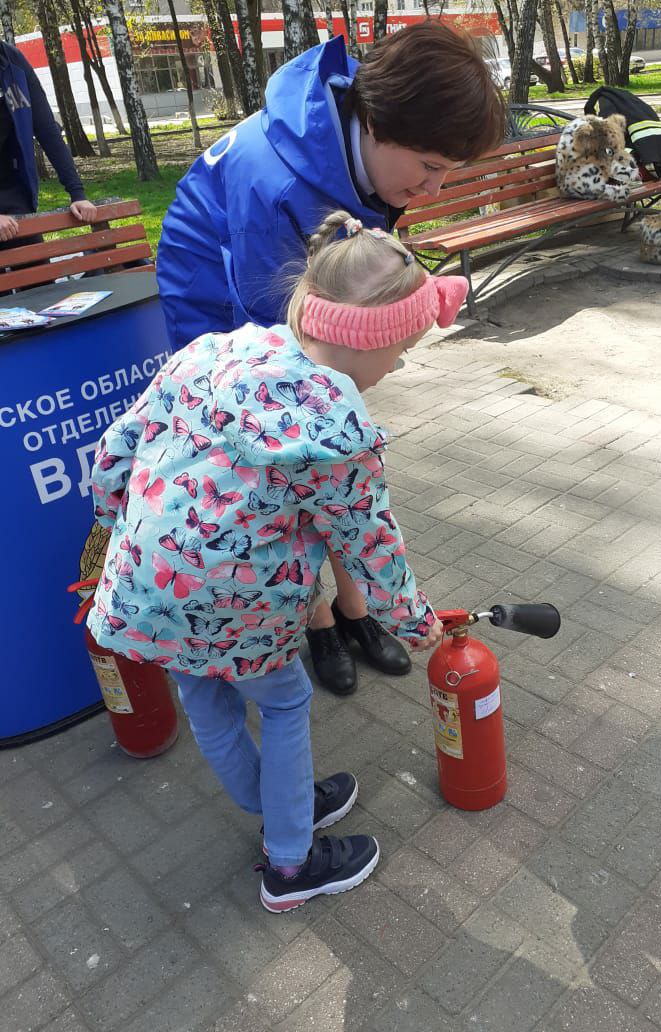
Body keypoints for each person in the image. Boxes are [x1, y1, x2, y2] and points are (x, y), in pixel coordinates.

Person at [86, 211, 467, 913]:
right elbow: (373, 549)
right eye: (403, 349)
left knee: (209, 703)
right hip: (240, 603)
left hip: (148, 582)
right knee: (286, 701)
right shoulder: (335, 430)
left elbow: (117, 446)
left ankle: (280, 800)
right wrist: (416, 626)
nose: (400, 366)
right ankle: (289, 864)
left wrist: (110, 519)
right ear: (371, 338)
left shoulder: (214, 351)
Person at [156, 22, 505, 695]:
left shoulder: (369, 150)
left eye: (446, 173)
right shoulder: (274, 184)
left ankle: (356, 607)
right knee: (289, 457)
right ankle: (317, 619)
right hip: (220, 295)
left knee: (339, 441)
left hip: (300, 280)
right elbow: (288, 367)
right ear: (375, 120)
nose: (432, 189)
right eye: (429, 168)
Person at [0, 40, 97, 245]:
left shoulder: (12, 60)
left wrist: (77, 193)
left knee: (37, 269)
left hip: (13, 194)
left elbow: (47, 130)